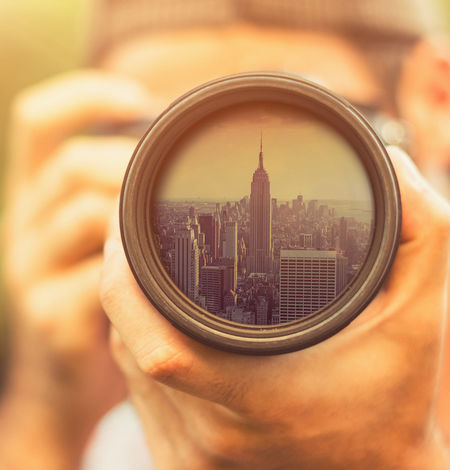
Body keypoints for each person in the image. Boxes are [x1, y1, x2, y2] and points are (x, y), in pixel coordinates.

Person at [0, 1, 449, 468]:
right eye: (161, 140)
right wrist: (50, 414)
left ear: (436, 99)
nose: (216, 168)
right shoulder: (108, 434)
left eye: (299, 126)